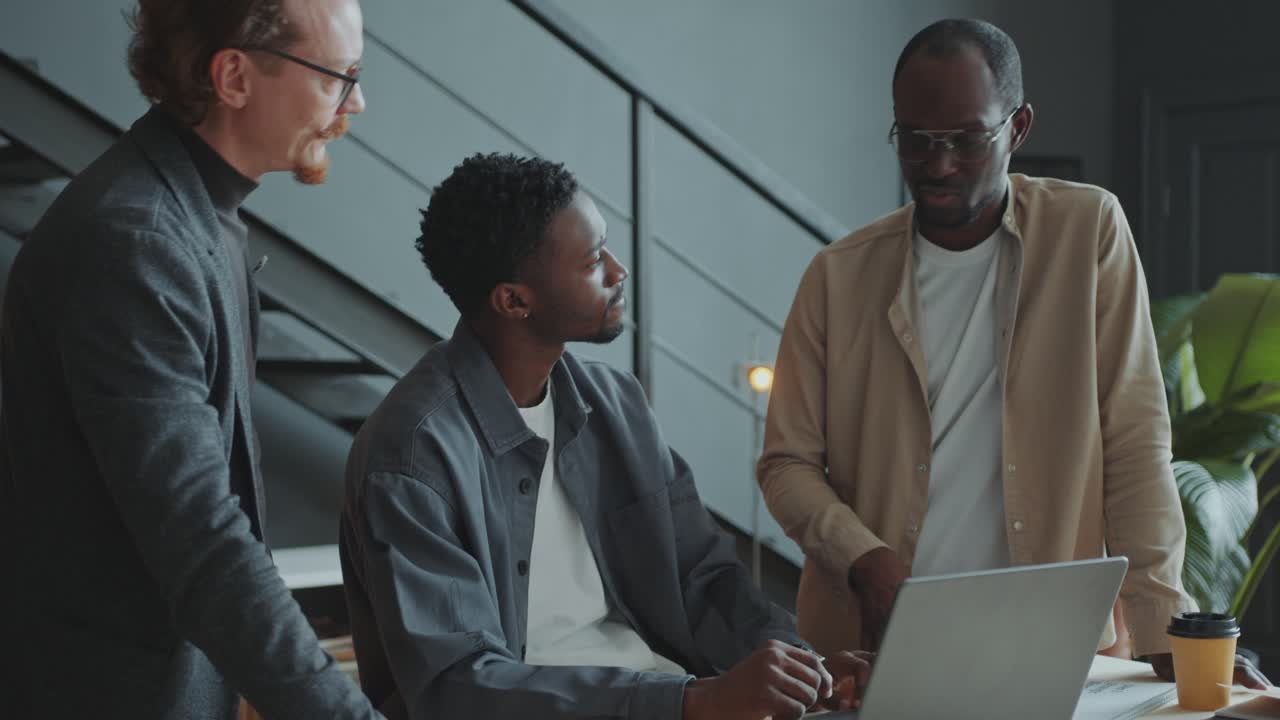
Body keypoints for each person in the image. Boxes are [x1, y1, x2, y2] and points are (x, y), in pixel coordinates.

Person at [758, 18, 1268, 688]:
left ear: (1018, 126)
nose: (938, 164)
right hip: (878, 652)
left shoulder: (1087, 233)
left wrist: (1161, 625)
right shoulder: (837, 276)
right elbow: (787, 463)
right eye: (915, 140)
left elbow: (1135, 442)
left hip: (1054, 646)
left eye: (967, 140)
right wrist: (864, 559)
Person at [340, 153, 870, 720]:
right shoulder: (413, 455)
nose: (619, 271)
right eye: (594, 260)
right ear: (514, 300)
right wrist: (694, 702)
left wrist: (802, 669)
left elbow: (703, 578)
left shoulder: (618, 405)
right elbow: (458, 686)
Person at [0, 0, 382, 717]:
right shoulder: (137, 240)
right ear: (235, 76)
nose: (355, 102)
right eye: (339, 75)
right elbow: (203, 539)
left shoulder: (194, 213)